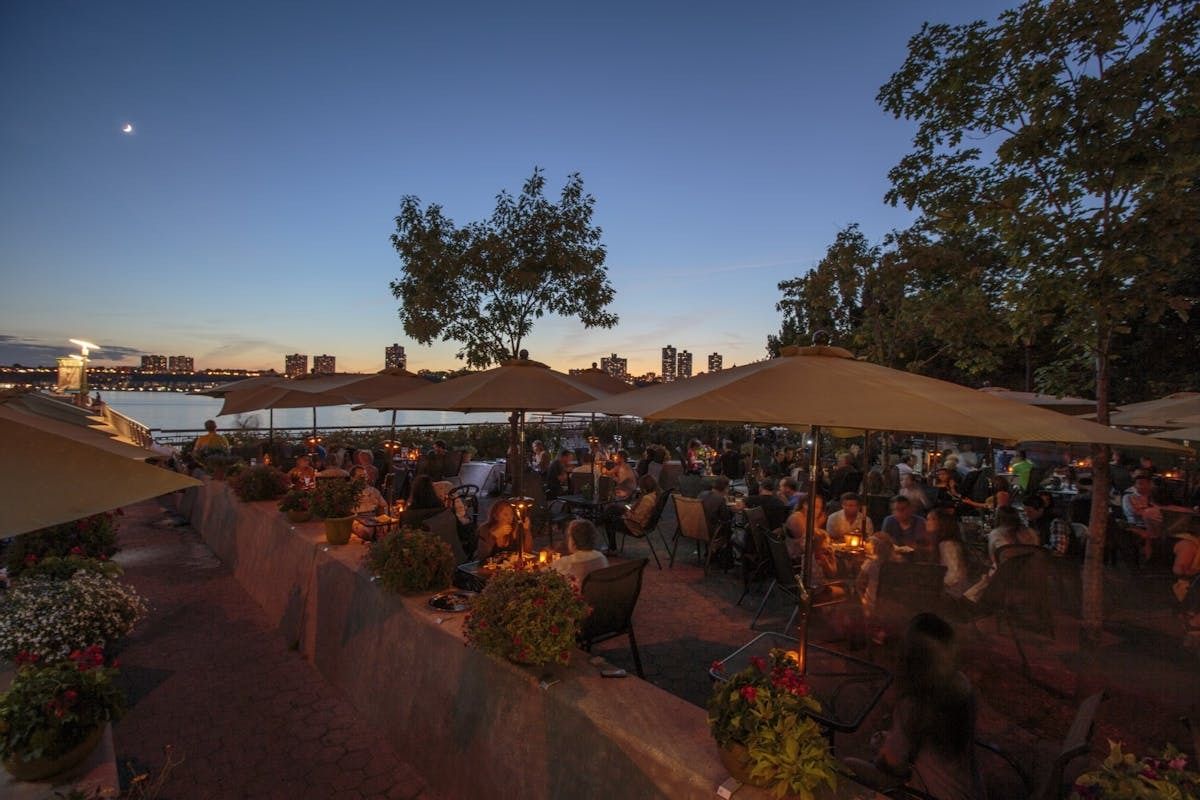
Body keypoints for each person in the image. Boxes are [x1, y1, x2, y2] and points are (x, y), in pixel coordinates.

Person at [846, 614, 984, 800]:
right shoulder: (962, 685)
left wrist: (884, 747)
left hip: (927, 794)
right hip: (971, 792)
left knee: (847, 766)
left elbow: (893, 766)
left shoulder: (915, 704)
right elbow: (931, 743)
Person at [928, 508, 970, 598]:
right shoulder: (944, 543)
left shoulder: (948, 545)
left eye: (930, 519)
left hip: (953, 594)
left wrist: (935, 586)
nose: (926, 522)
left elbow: (955, 575)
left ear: (941, 522)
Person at [552, 519, 609, 584]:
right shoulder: (601, 557)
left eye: (569, 536)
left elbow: (545, 573)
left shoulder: (567, 562)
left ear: (573, 541)